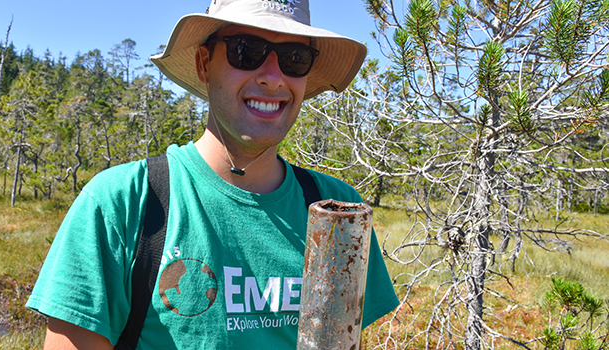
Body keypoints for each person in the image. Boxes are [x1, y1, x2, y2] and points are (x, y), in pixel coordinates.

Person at [26, 0, 400, 348]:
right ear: (205, 64)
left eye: (294, 58)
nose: (272, 77)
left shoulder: (339, 214)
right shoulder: (122, 203)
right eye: (246, 50)